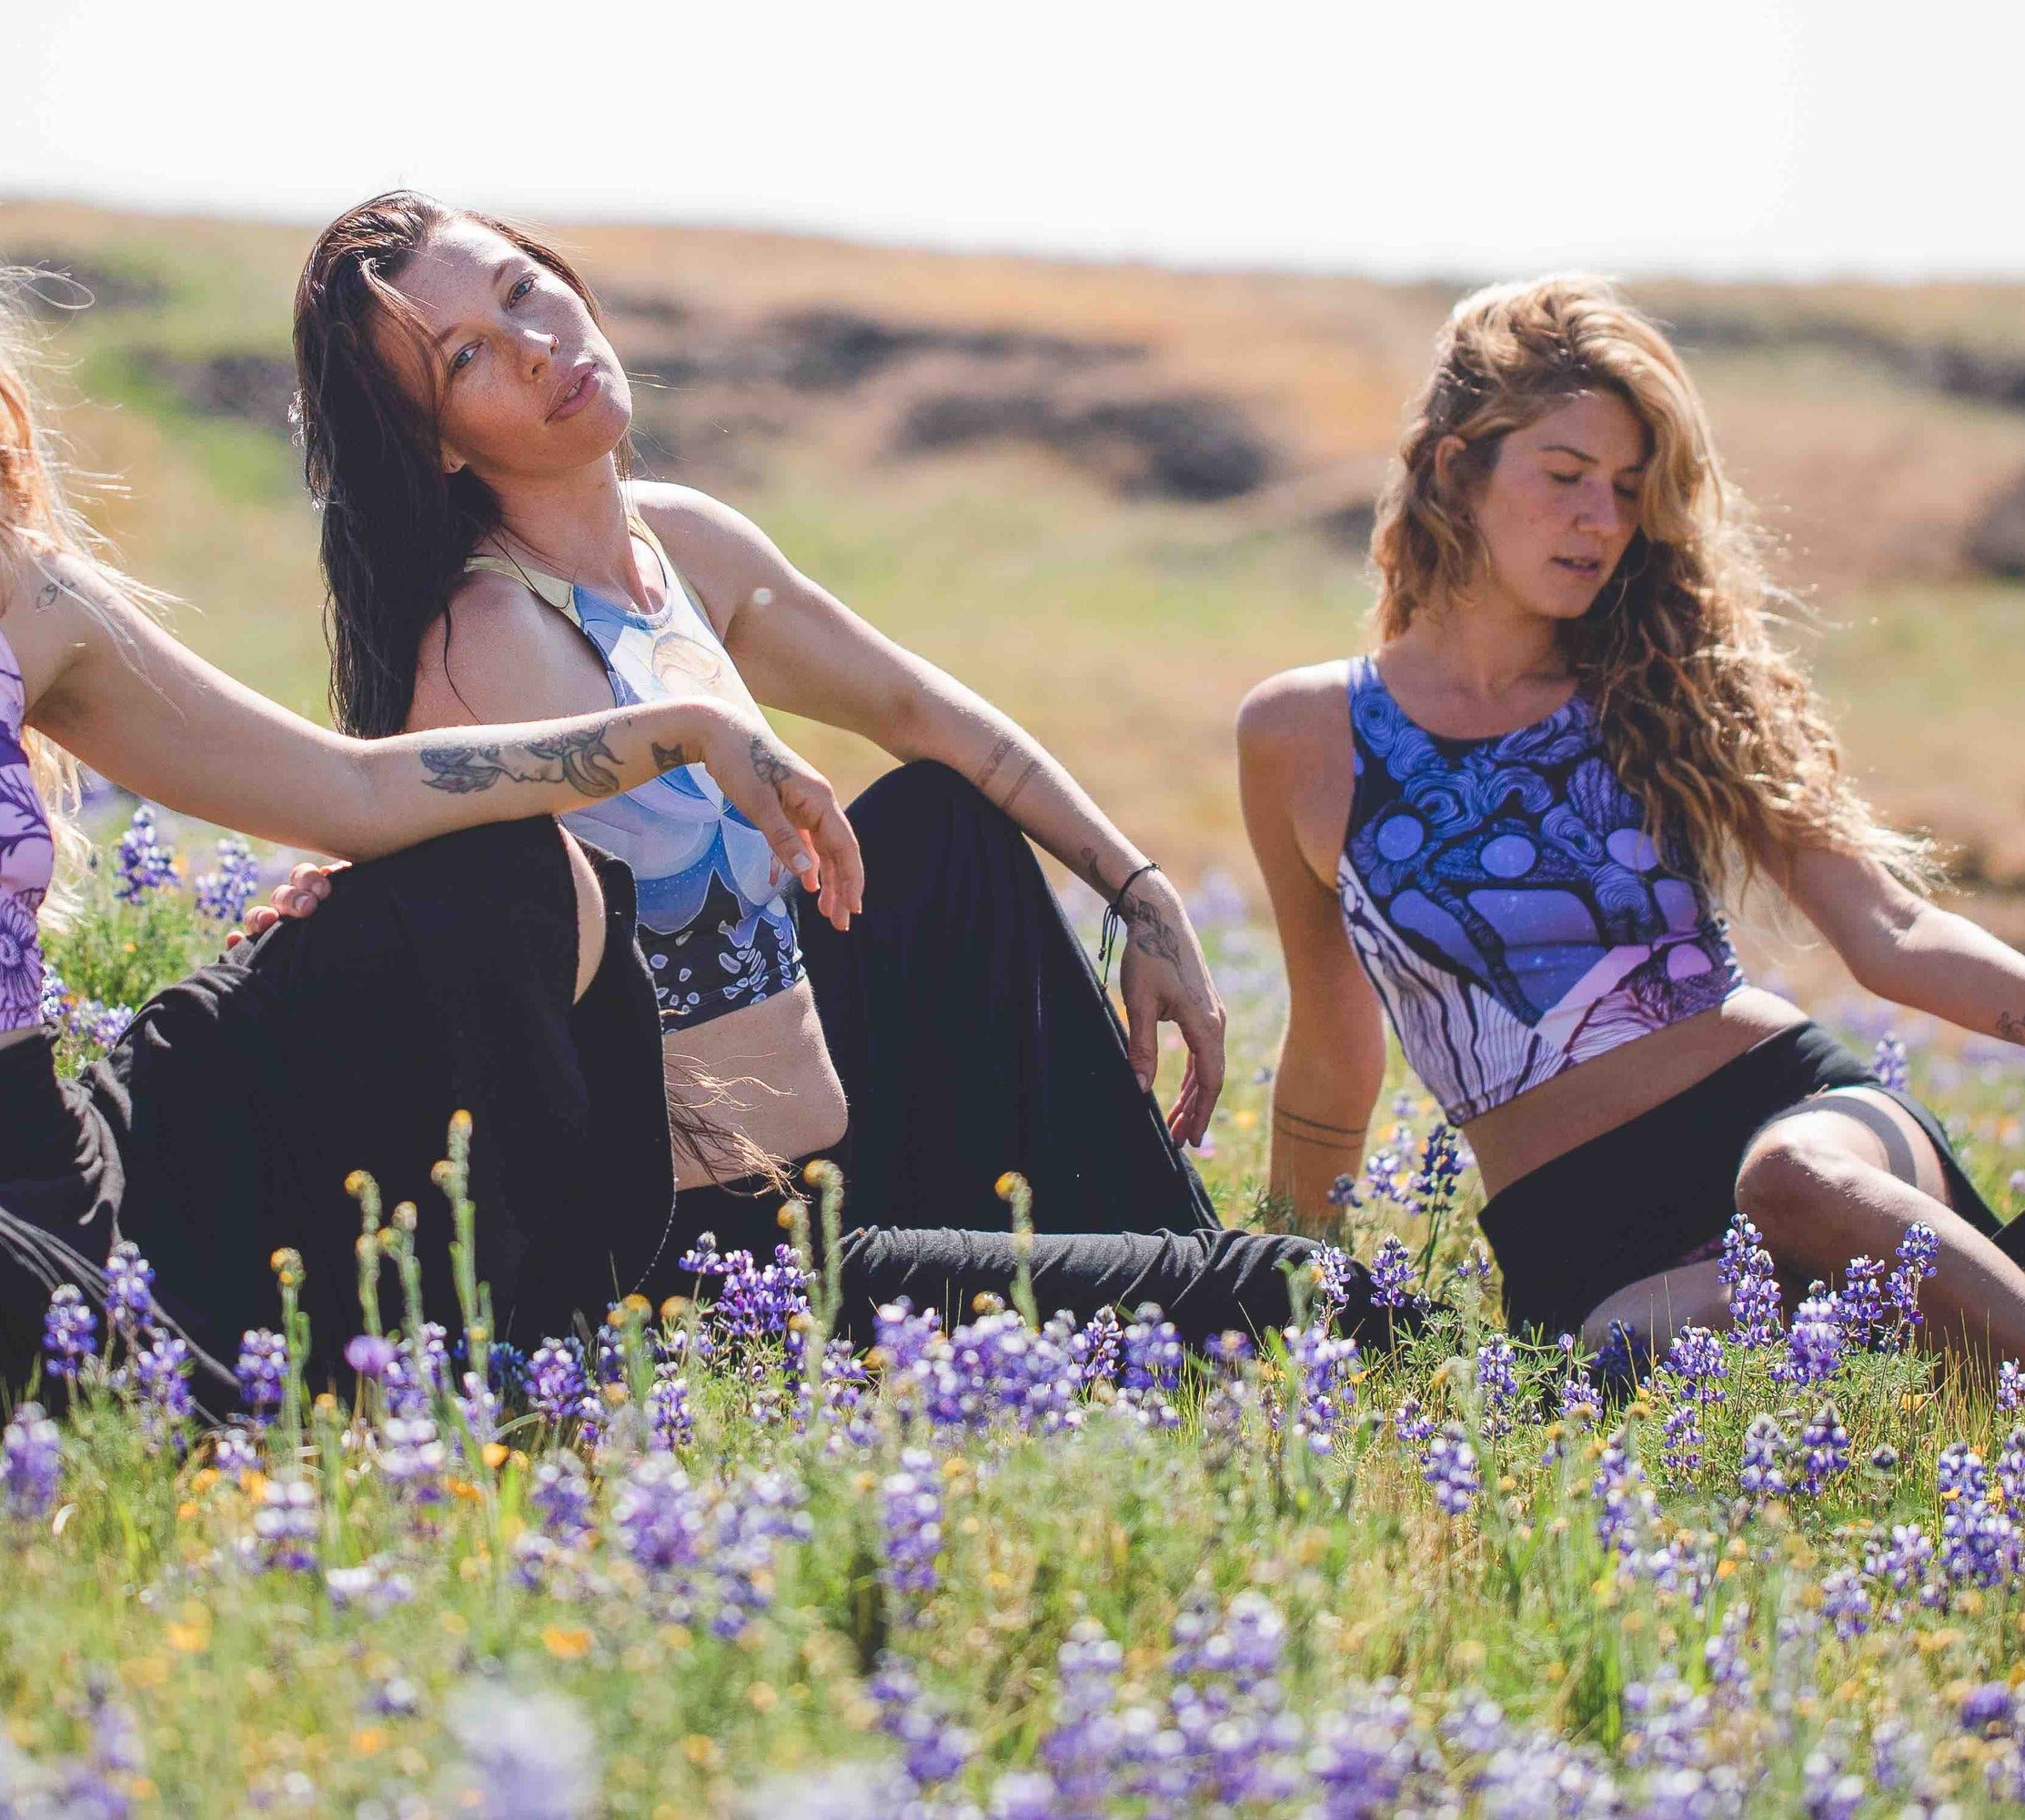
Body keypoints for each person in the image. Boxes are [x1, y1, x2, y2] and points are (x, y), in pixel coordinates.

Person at [0, 95, 871, 1430]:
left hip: (73, 1169)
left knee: (502, 872)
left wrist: (675, 730)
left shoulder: (4, 591)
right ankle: (203, 1394)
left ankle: (520, 1368)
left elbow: (353, 789)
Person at [1242, 275, 2025, 1461]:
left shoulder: (1666, 683)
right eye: (1565, 476)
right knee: (1612, 1375)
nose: (1600, 520)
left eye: (1626, 490)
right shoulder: (1302, 738)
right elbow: (1332, 1053)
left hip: (1802, 1125)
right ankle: (1985, 1348)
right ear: (1457, 469)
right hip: (1576, 1240)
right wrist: (1287, 1303)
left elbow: (1891, 931)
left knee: (1793, 1178)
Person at [283, 193, 1362, 1341]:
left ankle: (1157, 1242)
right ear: (438, 440)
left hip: (843, 1141)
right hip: (718, 1248)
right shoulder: (487, 642)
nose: (538, 345)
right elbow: (423, 878)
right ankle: (1187, 1289)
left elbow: (916, 707)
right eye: (469, 358)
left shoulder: (679, 542)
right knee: (1299, 1293)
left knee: (945, 818)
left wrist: (1140, 894)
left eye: (521, 290)